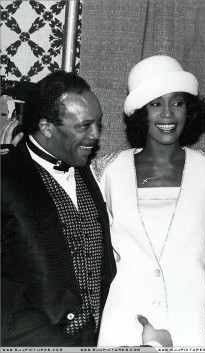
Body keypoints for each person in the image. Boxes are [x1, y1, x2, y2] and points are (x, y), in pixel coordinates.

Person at [93, 55, 205, 347]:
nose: (167, 115)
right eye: (155, 104)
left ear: (189, 110)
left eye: (177, 102)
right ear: (140, 112)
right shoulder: (105, 171)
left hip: (195, 323)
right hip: (124, 321)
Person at [1, 71, 116, 346]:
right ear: (47, 127)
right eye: (83, 126)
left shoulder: (92, 172)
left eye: (98, 123)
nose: (96, 135)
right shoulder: (6, 178)